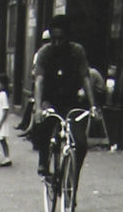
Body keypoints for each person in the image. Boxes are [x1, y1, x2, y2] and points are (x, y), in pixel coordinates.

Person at [32, 12, 97, 182]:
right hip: (50, 100)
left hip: (71, 101)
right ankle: (44, 161)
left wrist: (93, 106)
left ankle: (72, 178)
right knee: (44, 126)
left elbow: (85, 78)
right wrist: (38, 108)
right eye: (53, 39)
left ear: (68, 37)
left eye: (60, 39)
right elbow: (39, 81)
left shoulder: (77, 51)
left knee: (81, 143)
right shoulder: (44, 53)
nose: (56, 43)